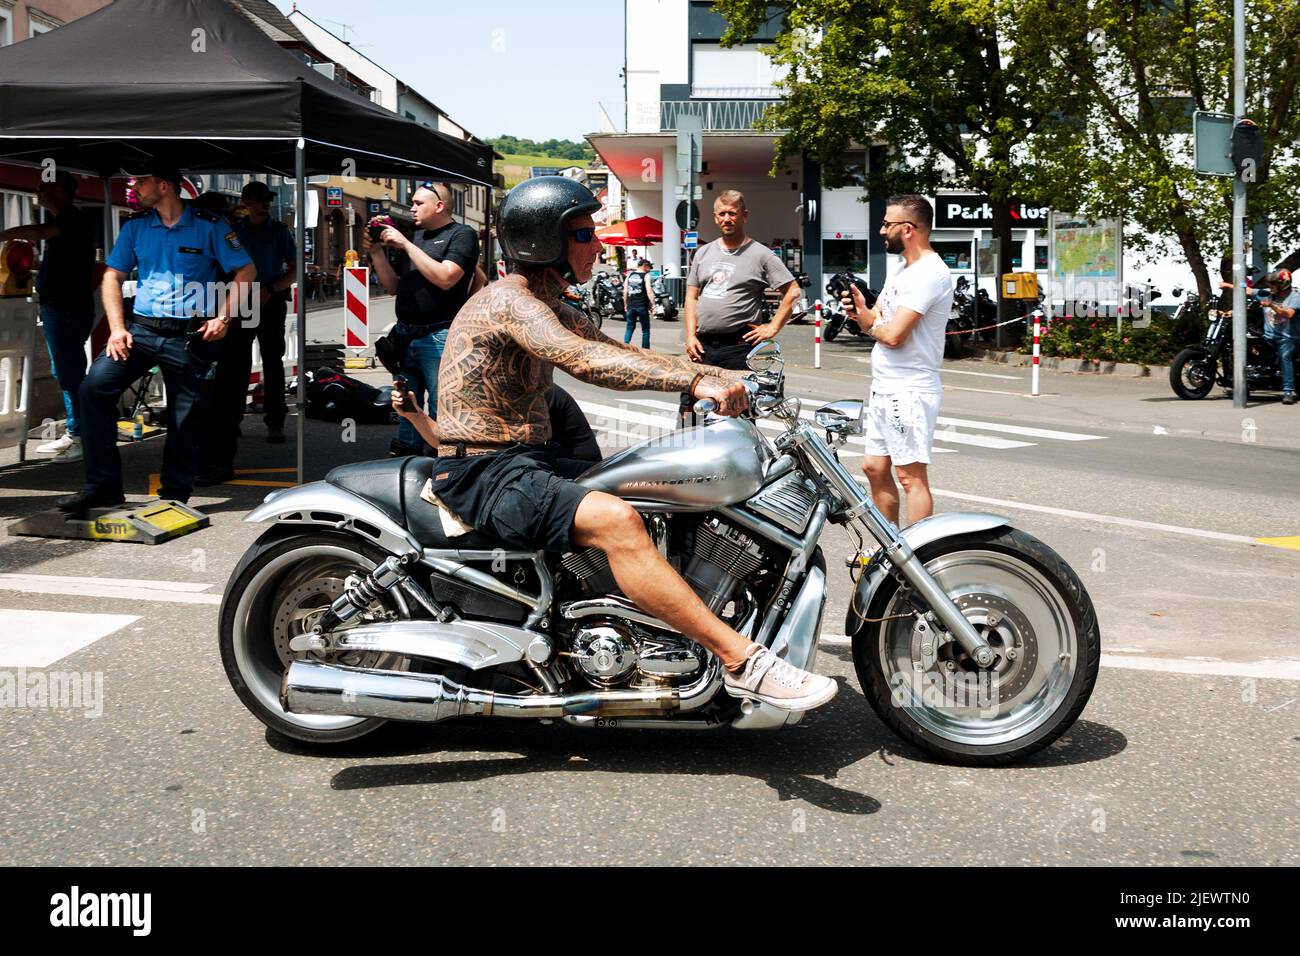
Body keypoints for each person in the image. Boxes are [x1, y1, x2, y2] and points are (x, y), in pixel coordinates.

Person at [429, 176, 837, 712]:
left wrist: (725, 376)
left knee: (652, 491)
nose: (596, 245)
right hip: (484, 470)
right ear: (544, 243)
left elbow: (622, 350)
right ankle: (743, 663)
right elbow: (584, 361)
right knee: (617, 521)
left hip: (526, 457)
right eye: (583, 235)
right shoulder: (512, 302)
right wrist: (695, 384)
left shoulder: (550, 302)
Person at [58, 166, 255, 517]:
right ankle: (103, 487)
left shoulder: (209, 225)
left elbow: (246, 270)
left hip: (190, 337)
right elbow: (111, 276)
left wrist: (224, 317)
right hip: (141, 332)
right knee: (93, 389)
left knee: (185, 417)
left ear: (163, 186)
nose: (134, 187)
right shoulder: (135, 226)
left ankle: (173, 495)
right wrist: (117, 328)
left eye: (140, 181)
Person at [840, 194, 954, 526]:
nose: (881, 230)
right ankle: (889, 549)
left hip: (910, 388)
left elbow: (893, 335)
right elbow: (876, 320)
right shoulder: (903, 269)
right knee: (873, 468)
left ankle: (917, 557)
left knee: (910, 476)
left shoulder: (930, 273)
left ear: (908, 228)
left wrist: (872, 323)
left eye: (887, 224)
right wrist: (860, 311)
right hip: (885, 385)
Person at [364, 182, 478, 457]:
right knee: (405, 407)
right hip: (406, 336)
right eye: (412, 203)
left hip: (439, 335)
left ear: (439, 206)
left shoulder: (462, 234)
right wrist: (377, 252)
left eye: (418, 203)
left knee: (442, 407)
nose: (412, 207)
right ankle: (407, 461)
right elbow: (394, 287)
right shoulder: (416, 237)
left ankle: (444, 463)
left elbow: (447, 278)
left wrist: (404, 244)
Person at [194, 181, 296, 484]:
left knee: (273, 361)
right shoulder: (234, 229)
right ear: (246, 202)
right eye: (257, 200)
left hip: (270, 299)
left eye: (266, 200)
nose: (262, 205)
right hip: (239, 299)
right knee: (235, 362)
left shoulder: (279, 231)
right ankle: (232, 420)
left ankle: (275, 420)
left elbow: (293, 267)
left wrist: (272, 288)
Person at [680, 189, 800, 424]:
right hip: (702, 346)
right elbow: (691, 297)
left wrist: (771, 328)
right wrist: (690, 335)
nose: (727, 218)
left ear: (744, 216)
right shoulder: (703, 252)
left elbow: (793, 291)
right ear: (715, 217)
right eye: (722, 213)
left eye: (733, 213)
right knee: (692, 409)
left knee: (738, 412)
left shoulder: (761, 254)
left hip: (738, 347)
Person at [0, 172, 96, 462]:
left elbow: (40, 232)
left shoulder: (70, 219)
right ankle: (76, 431)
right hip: (64, 306)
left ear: (59, 192)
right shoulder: (69, 220)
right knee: (66, 371)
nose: (39, 192)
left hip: (65, 308)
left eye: (44, 188)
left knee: (69, 373)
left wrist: (4, 235)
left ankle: (81, 435)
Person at [1261, 269, 1298, 405]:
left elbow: (1288, 314)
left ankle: (1288, 391)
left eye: (1273, 284)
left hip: (1287, 337)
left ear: (1282, 285)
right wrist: (1229, 285)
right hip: (1268, 336)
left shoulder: (1295, 297)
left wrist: (1272, 305)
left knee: (1284, 356)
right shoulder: (1269, 294)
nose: (1270, 286)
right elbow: (1247, 290)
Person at [623, 257, 655, 348]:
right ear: (645, 266)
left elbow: (625, 291)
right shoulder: (646, 276)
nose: (649, 270)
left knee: (629, 327)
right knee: (645, 330)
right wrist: (653, 305)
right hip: (642, 306)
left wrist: (625, 304)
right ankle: (645, 350)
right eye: (649, 267)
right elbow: (649, 291)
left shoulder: (629, 275)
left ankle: (625, 346)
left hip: (631, 305)